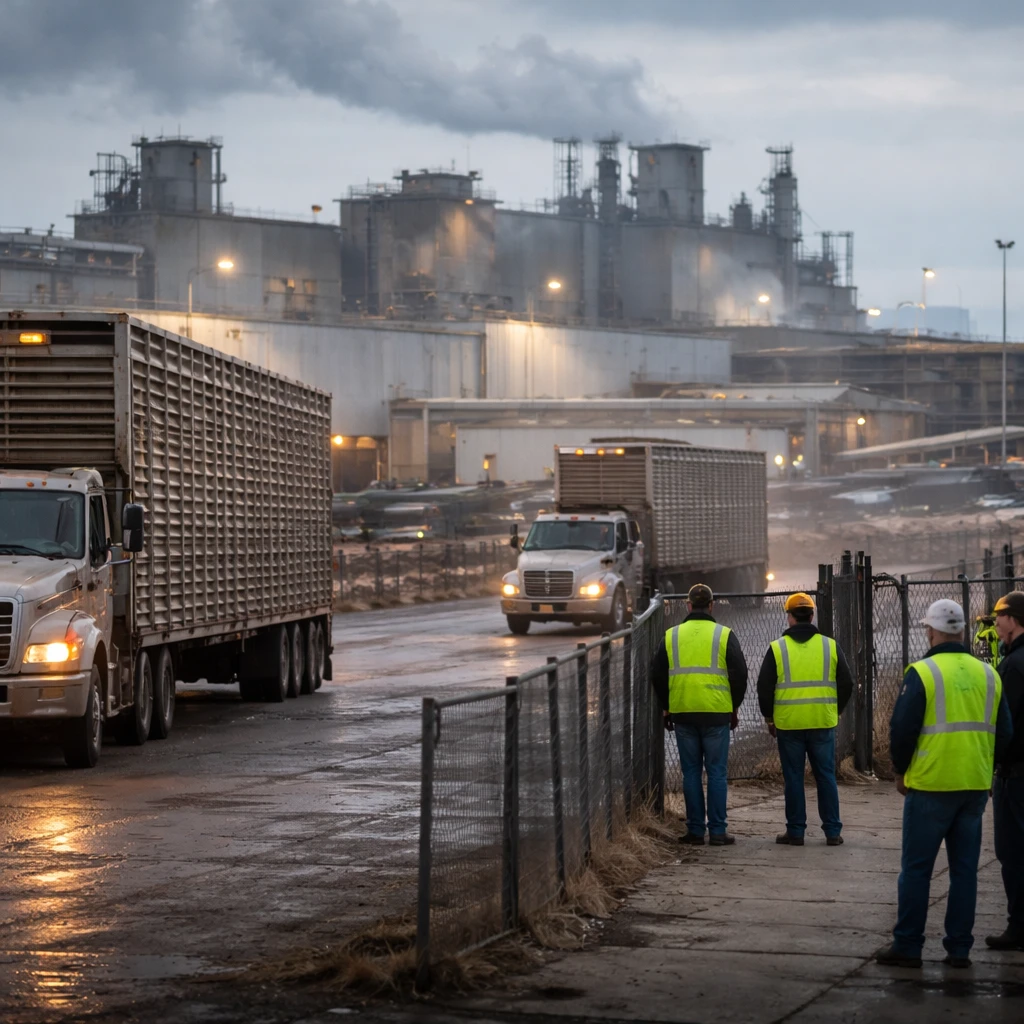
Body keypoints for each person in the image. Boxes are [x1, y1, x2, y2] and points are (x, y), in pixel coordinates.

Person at [876, 599, 1013, 969]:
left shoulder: (923, 672)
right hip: (973, 786)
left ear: (932, 631)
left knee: (917, 869)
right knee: (964, 871)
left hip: (931, 785)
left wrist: (900, 771)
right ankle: (959, 949)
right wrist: (987, 769)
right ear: (962, 631)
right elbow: (1006, 733)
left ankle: (907, 946)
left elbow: (902, 729)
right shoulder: (989, 674)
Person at [650, 583, 748, 846]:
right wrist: (733, 705)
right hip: (716, 713)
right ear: (712, 606)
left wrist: (667, 705)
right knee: (716, 773)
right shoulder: (724, 635)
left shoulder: (671, 636)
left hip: (683, 713)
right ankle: (717, 831)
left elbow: (658, 675)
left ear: (688, 605)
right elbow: (739, 674)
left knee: (691, 773)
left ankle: (695, 831)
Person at [757, 592, 854, 846]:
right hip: (822, 721)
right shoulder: (829, 646)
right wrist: (837, 710)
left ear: (789, 617)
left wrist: (770, 718)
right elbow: (846, 682)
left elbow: (764, 686)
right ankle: (832, 832)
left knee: (793, 778)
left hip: (789, 724)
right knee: (826, 776)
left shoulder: (777, 648)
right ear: (811, 616)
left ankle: (796, 831)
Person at [987, 591, 1024, 951]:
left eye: (999, 617)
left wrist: (989, 768)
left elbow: (1004, 724)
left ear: (1013, 619)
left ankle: (1019, 927)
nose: (995, 624)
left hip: (1016, 775)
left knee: (1012, 853)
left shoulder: (1013, 666)